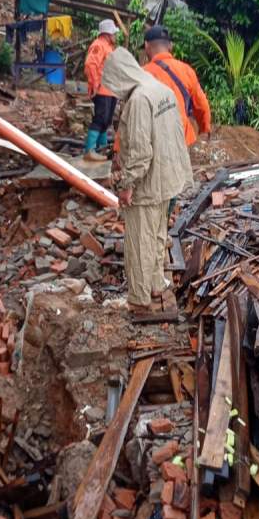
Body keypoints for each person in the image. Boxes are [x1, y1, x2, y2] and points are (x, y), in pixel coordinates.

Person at [101, 47, 193, 318]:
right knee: (156, 236)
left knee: (140, 241)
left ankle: (139, 299)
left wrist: (127, 185)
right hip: (168, 176)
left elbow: (141, 152)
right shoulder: (158, 88)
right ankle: (155, 285)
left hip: (149, 181)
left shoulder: (139, 99)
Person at [142, 25, 212, 147]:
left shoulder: (142, 74)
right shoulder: (187, 70)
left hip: (154, 144)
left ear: (146, 46)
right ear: (170, 46)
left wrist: (118, 149)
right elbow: (202, 106)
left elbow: (130, 115)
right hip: (184, 141)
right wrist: (205, 129)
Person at [83, 19, 119, 160]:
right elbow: (90, 65)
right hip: (103, 90)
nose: (115, 36)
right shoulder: (99, 45)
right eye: (114, 33)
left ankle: (101, 149)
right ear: (108, 33)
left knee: (106, 121)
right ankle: (89, 151)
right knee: (100, 119)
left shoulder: (108, 47)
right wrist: (95, 85)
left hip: (110, 90)